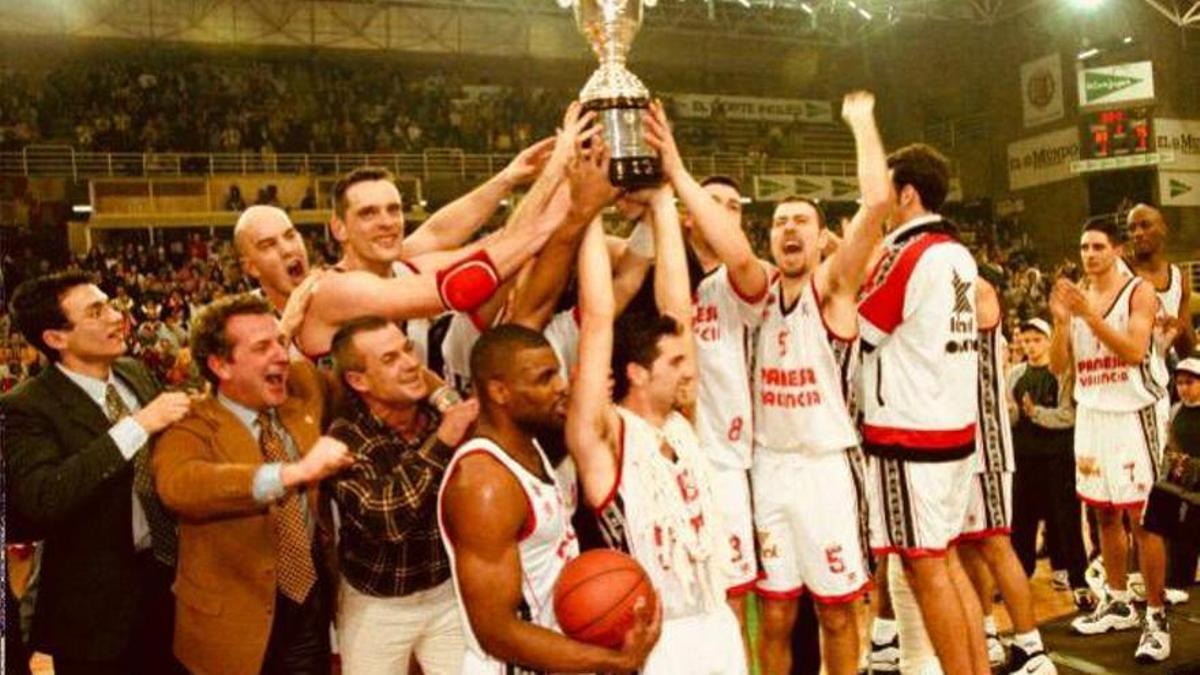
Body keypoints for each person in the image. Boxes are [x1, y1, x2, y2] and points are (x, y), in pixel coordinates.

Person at [567, 151, 746, 674]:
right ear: (638, 373)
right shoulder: (606, 435)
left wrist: (666, 199)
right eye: (674, 363)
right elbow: (599, 318)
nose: (689, 371)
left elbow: (678, 309)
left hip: (715, 620)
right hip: (652, 634)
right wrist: (588, 212)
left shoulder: (680, 419)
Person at [749, 91, 889, 675]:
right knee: (777, 616)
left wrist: (860, 122)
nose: (789, 230)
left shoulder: (830, 288)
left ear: (820, 236)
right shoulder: (751, 292)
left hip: (826, 469)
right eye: (780, 222)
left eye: (801, 221)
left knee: (836, 614)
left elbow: (877, 200)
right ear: (769, 238)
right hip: (768, 466)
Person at [438, 321, 661, 673]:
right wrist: (613, 663)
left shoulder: (529, 445)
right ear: (500, 391)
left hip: (550, 659)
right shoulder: (485, 485)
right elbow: (496, 632)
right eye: (544, 378)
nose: (560, 388)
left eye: (557, 374)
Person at [153, 293, 354, 675]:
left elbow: (373, 370)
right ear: (219, 365)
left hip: (309, 608)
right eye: (263, 347)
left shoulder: (303, 387)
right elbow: (180, 485)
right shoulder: (190, 423)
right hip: (228, 626)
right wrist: (290, 473)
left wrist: (443, 398)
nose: (282, 355)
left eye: (280, 341)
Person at [2, 271, 190, 675]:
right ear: (56, 338)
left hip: (169, 585)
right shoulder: (27, 406)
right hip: (95, 617)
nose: (115, 316)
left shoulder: (134, 373)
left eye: (109, 303)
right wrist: (136, 426)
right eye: (96, 311)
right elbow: (43, 498)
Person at [857, 143, 988, 675]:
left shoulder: (905, 254)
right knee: (946, 561)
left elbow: (858, 329)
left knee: (926, 568)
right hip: (951, 431)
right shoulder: (957, 251)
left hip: (908, 436)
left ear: (906, 194)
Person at [642, 100, 770, 644]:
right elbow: (671, 307)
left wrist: (676, 170)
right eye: (711, 203)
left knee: (735, 594)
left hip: (734, 460)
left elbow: (739, 258)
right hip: (672, 454)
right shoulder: (658, 267)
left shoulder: (747, 278)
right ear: (688, 213)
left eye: (733, 206)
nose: (723, 212)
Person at [289, 126, 570, 362]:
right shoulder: (334, 289)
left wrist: (509, 178)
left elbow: (446, 234)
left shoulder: (404, 268)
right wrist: (553, 184)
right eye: (368, 213)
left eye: (394, 209)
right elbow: (457, 289)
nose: (387, 222)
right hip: (343, 428)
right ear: (339, 228)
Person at [326, 317, 479, 674]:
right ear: (358, 380)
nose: (411, 363)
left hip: (446, 594)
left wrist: (444, 402)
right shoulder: (346, 437)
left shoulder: (436, 414)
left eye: (407, 349)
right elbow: (389, 519)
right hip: (378, 606)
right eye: (390, 359)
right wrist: (443, 440)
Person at [1047, 220, 1170, 662]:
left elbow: (1135, 352)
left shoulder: (1138, 291)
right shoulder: (1078, 297)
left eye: (1098, 246)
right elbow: (1058, 367)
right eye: (1083, 247)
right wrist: (1062, 325)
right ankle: (1117, 599)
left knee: (1144, 517)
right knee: (1102, 512)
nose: (1090, 254)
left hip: (1134, 412)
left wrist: (1088, 316)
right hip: (1093, 410)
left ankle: (1156, 615)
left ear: (1116, 248)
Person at [955, 280, 1056, 675]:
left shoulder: (978, 297)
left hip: (986, 444)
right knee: (966, 546)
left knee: (996, 544)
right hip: (950, 444)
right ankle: (987, 634)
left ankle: (1032, 648)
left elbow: (979, 292)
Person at [1008, 319, 1091, 611]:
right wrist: (1015, 413)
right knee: (1021, 522)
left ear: (1048, 341)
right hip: (1024, 458)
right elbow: (1012, 416)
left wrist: (1036, 413)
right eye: (1026, 340)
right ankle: (1018, 576)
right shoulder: (1015, 374)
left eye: (1036, 340)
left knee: (1066, 520)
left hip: (1057, 456)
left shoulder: (1063, 373)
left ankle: (1078, 580)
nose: (1030, 346)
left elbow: (1069, 415)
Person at [1138, 357, 1200, 662]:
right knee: (1176, 555)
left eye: (1191, 382)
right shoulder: (1174, 412)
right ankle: (1166, 597)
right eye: (1180, 383)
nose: (1184, 389)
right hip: (1177, 494)